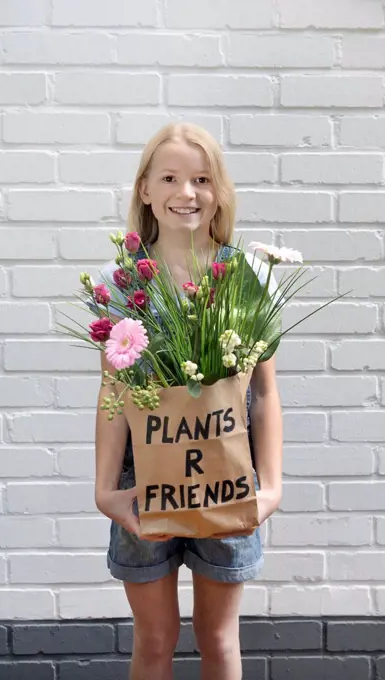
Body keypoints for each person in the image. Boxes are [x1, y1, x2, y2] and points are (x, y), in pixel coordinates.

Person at [93, 123, 283, 680]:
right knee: (154, 640)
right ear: (145, 190)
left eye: (202, 179)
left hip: (227, 475)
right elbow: (113, 391)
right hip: (142, 484)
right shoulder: (120, 283)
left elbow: (265, 391)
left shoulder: (246, 276)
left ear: (218, 191)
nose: (187, 192)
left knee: (218, 640)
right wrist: (106, 490)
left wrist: (270, 486)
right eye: (170, 178)